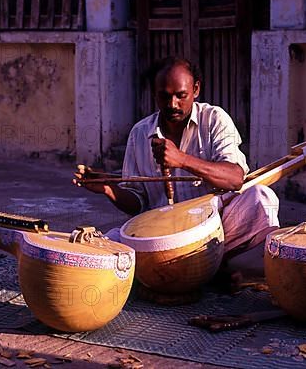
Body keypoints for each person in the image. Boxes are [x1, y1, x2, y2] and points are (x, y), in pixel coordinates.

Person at [73, 56, 279, 261]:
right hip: (160, 237)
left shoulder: (215, 119)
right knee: (108, 245)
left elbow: (235, 178)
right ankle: (209, 267)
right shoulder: (139, 133)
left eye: (181, 95)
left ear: (196, 90)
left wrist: (182, 160)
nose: (173, 104)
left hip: (213, 231)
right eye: (164, 96)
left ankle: (216, 261)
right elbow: (137, 204)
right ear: (154, 94)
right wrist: (109, 189)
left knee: (260, 197)